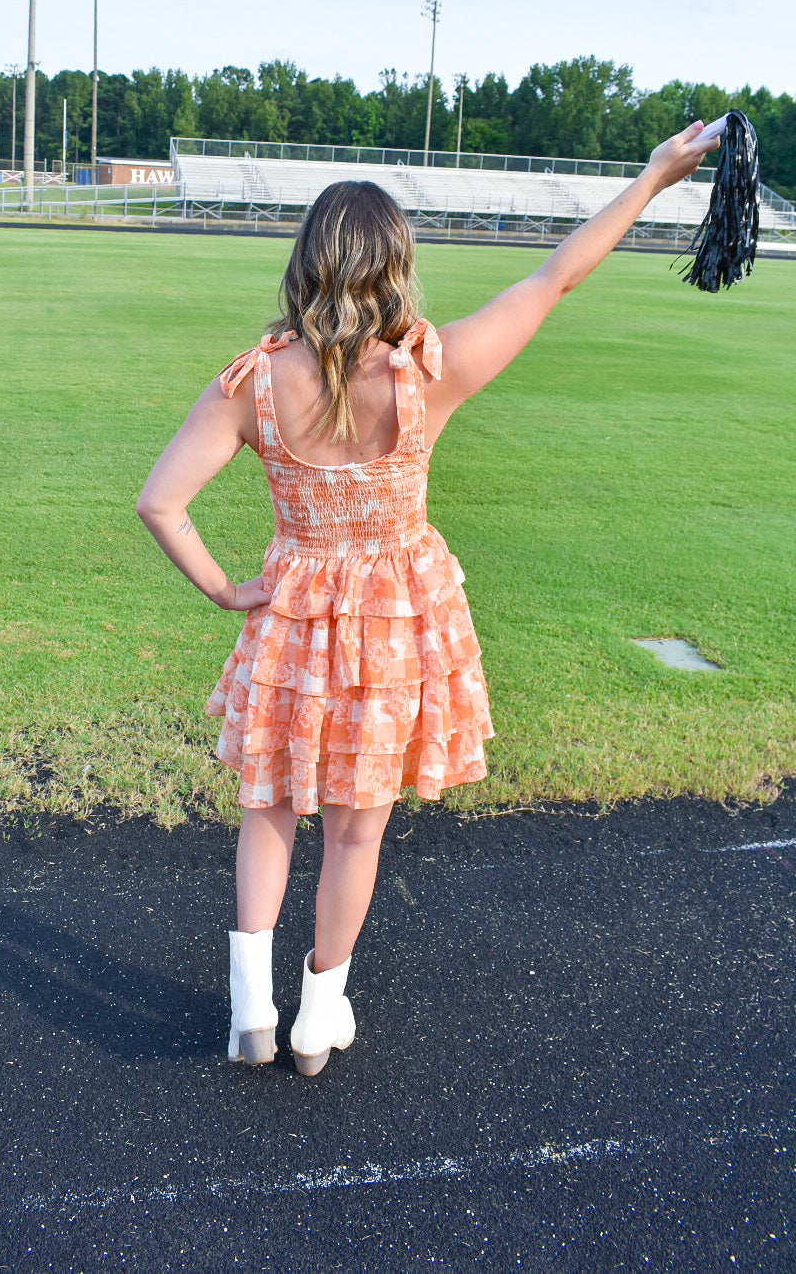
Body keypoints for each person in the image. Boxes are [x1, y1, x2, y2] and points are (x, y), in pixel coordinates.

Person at [136, 122, 717, 1077]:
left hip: (291, 618)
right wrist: (653, 177)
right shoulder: (427, 374)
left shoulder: (253, 383)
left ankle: (252, 1013)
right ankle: (319, 1016)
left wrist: (224, 589)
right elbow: (551, 280)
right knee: (357, 826)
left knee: (270, 804)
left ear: (307, 264)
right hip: (398, 626)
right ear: (395, 267)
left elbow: (162, 503)